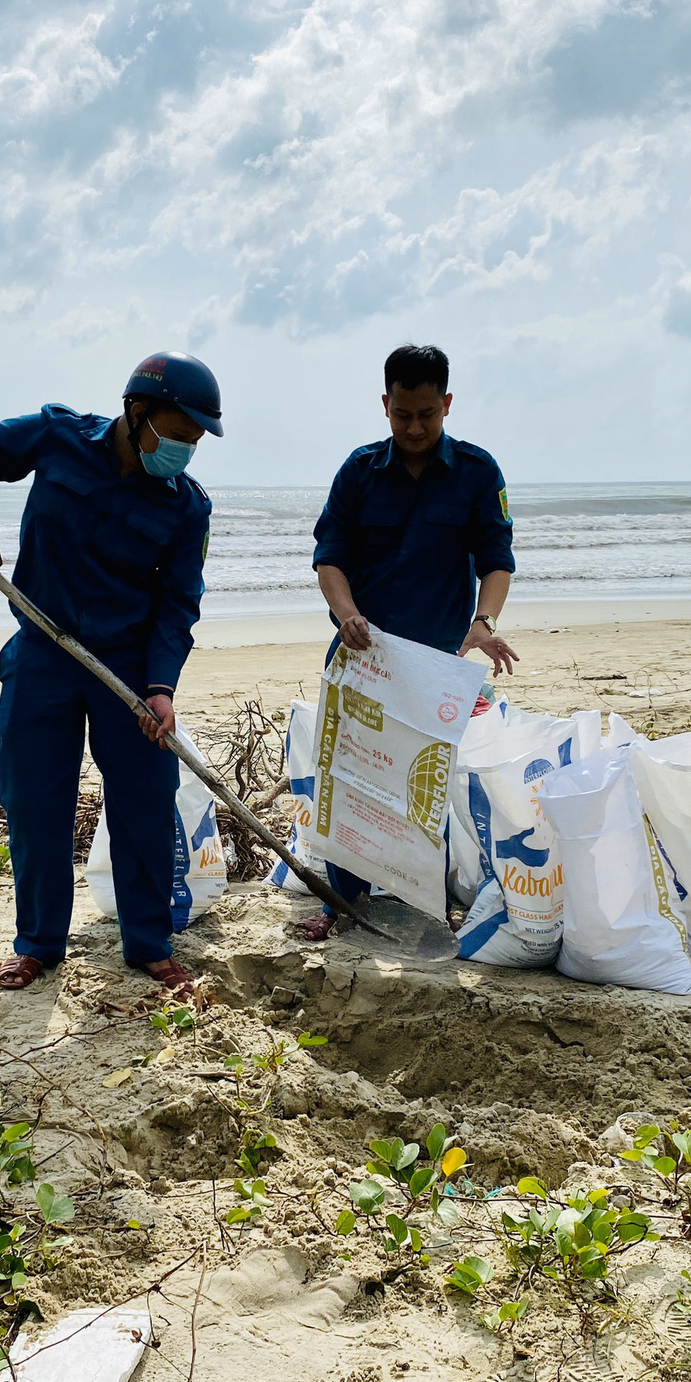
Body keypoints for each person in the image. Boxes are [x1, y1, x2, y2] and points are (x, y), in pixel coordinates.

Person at [0, 352, 217, 997]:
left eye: (194, 443)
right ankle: (39, 943)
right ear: (137, 411)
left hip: (127, 668)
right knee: (36, 800)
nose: (182, 451)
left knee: (146, 799)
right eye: (176, 436)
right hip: (43, 649)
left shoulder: (186, 507)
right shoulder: (60, 436)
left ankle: (148, 942)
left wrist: (161, 687)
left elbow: (178, 606)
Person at [298, 343, 519, 941]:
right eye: (403, 415)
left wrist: (485, 623)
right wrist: (346, 615)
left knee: (425, 782)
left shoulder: (477, 473)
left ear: (447, 404)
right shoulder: (359, 471)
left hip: (434, 665)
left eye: (428, 414)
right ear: (385, 405)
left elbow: (497, 561)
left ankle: (425, 900)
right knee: (347, 778)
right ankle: (344, 904)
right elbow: (329, 560)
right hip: (361, 656)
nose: (416, 428)